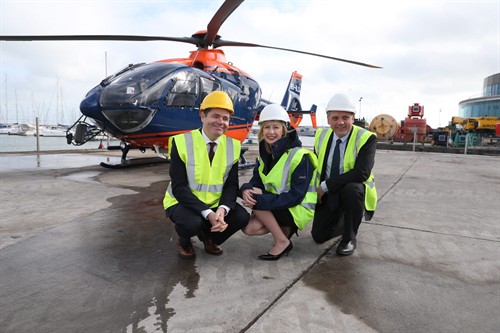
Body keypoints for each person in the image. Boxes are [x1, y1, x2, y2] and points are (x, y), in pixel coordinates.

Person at [163, 91, 250, 259]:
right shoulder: (181, 142)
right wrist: (208, 213)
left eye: (225, 119)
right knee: (191, 224)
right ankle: (184, 240)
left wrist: (222, 210)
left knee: (241, 216)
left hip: (214, 201)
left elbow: (231, 185)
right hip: (182, 202)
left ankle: (208, 237)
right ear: (202, 116)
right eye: (216, 116)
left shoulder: (233, 146)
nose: (221, 122)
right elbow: (179, 187)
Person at [240, 104, 317, 261]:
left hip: (297, 208)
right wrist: (246, 189)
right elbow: (257, 180)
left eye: (276, 127)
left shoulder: (300, 156)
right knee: (249, 228)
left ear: (284, 129)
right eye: (267, 127)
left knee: (256, 200)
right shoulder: (266, 153)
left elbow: (297, 195)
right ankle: (282, 229)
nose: (271, 132)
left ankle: (282, 241)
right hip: (280, 202)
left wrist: (260, 200)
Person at [311, 93, 377, 256]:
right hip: (329, 192)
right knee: (318, 237)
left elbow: (361, 173)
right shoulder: (321, 136)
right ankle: (343, 219)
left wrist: (324, 187)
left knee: (352, 190)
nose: (340, 122)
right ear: (328, 120)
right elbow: (315, 165)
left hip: (350, 189)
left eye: (345, 117)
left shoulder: (366, 138)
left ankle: (349, 237)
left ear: (353, 118)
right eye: (335, 118)